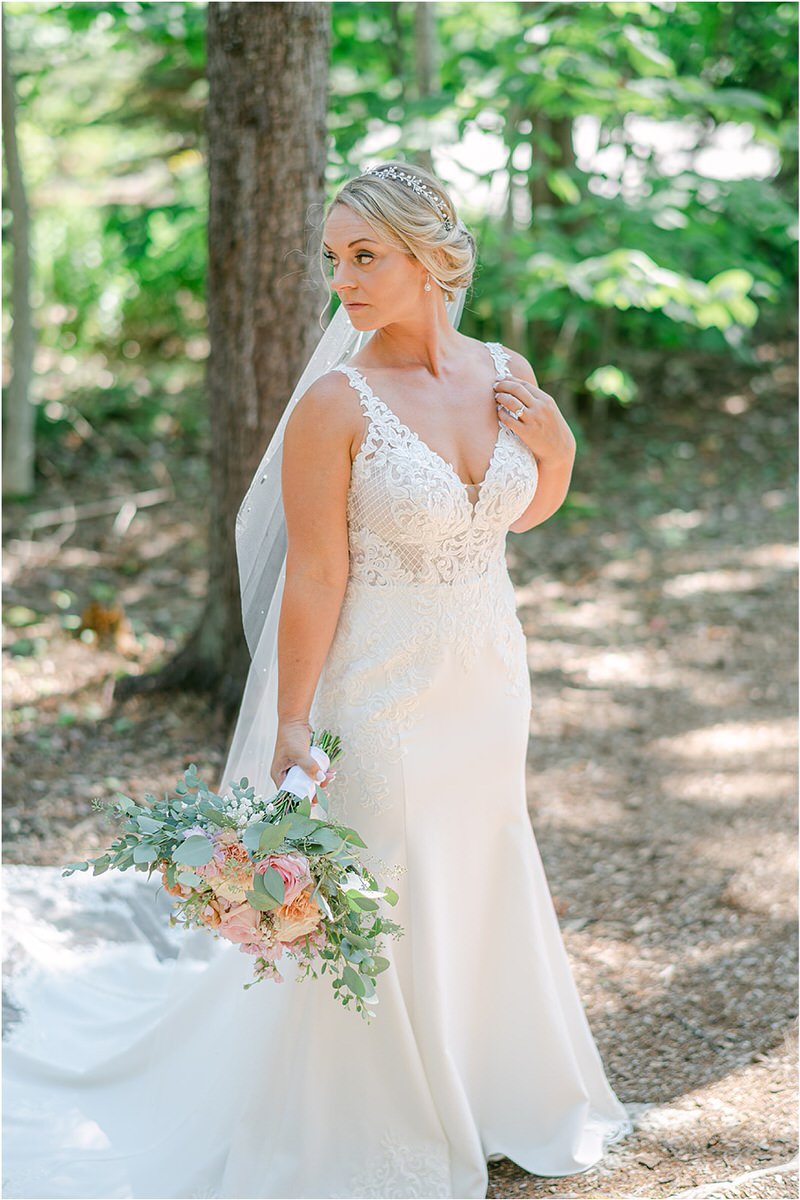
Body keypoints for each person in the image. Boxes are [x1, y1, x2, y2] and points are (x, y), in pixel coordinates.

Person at [2, 161, 633, 1199]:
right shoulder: (335, 405)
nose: (341, 279)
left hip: (485, 677)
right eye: (333, 259)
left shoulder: (503, 368)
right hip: (375, 692)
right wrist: (291, 719)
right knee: (381, 876)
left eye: (364, 255)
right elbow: (317, 573)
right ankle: (376, 1124)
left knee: (474, 863)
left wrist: (556, 453)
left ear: (432, 258)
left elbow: (508, 517)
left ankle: (485, 1089)